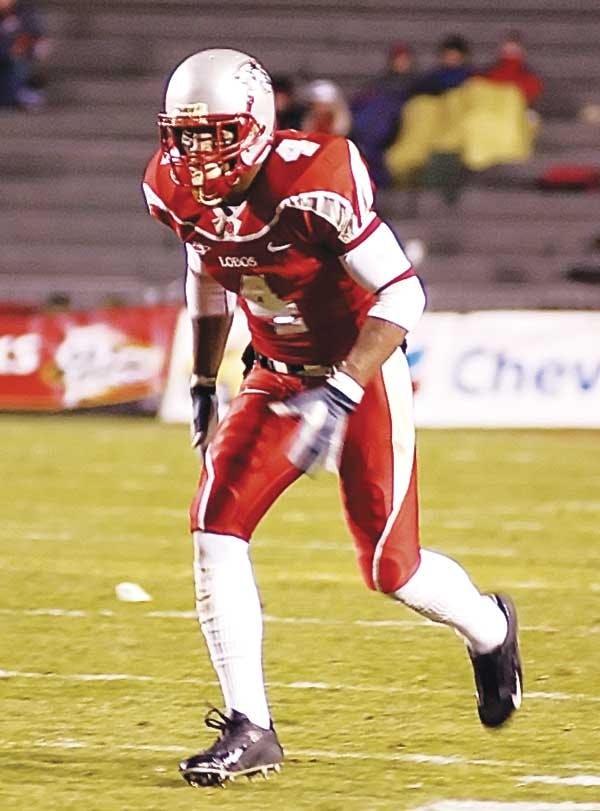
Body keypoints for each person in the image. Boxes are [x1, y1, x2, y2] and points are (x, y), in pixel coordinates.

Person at [142, 47, 523, 789]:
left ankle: (491, 627)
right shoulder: (171, 189)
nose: (197, 153)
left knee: (392, 570)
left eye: (215, 133)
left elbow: (403, 295)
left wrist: (344, 390)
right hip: (275, 376)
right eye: (185, 136)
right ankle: (250, 724)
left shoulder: (314, 173)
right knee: (215, 527)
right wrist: (199, 378)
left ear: (254, 124)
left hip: (361, 376)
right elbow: (207, 272)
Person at [350, 42, 418, 187]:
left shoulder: (417, 83)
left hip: (399, 119)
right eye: (398, 59)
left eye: (404, 60)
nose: (401, 63)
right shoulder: (380, 83)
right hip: (379, 123)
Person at [0, 0, 47, 109]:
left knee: (17, 60)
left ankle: (23, 93)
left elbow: (35, 39)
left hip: (14, 61)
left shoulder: (25, 13)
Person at [479, 31, 543, 108]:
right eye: (508, 48)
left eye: (514, 48)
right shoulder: (489, 72)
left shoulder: (529, 76)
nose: (510, 51)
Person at [408, 33, 473, 98]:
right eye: (448, 54)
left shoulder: (470, 76)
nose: (451, 58)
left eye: (455, 55)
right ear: (442, 56)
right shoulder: (432, 77)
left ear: (463, 57)